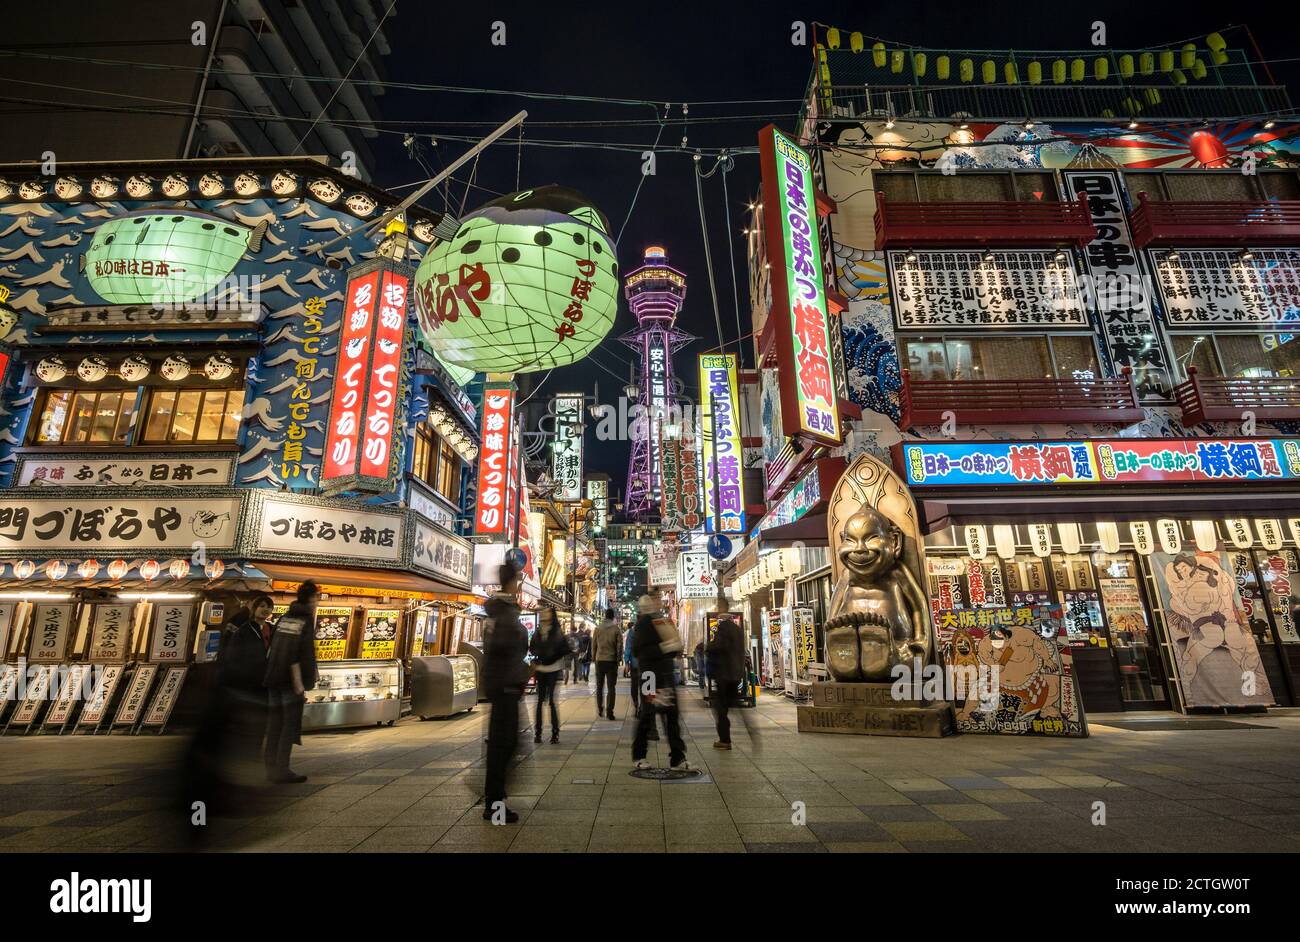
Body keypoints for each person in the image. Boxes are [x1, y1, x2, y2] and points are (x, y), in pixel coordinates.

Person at [481, 562, 531, 823]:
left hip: (502, 686)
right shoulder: (504, 611)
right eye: (519, 579)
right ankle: (495, 806)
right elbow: (505, 647)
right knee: (504, 746)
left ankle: (495, 800)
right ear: (514, 581)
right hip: (505, 687)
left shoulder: (497, 609)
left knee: (505, 745)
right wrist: (522, 669)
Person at [263, 581, 319, 784]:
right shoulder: (304, 620)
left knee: (275, 724)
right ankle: (281, 769)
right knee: (288, 725)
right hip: (289, 680)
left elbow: (273, 648)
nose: (317, 602)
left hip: (273, 677)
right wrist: (301, 683)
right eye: (316, 598)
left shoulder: (285, 617)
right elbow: (300, 653)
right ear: (312, 598)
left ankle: (270, 767)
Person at [216, 593, 275, 773]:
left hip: (265, 684)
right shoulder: (244, 630)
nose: (265, 610)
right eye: (262, 606)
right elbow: (232, 657)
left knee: (260, 724)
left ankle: (253, 757)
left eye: (269, 607)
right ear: (253, 608)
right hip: (247, 683)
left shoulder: (272, 630)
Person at [631, 594, 688, 771]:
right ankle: (640, 755)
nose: (655, 603)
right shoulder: (643, 624)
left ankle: (677, 757)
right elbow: (639, 652)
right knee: (648, 715)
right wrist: (667, 647)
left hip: (663, 675)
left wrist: (673, 647)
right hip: (651, 676)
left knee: (670, 715)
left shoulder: (660, 622)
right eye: (651, 601)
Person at [706, 616, 746, 751]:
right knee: (732, 707)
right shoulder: (739, 630)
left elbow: (717, 646)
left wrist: (708, 646)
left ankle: (725, 740)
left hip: (724, 674)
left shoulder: (723, 628)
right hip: (736, 674)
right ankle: (749, 730)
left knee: (720, 709)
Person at [529, 607, 567, 743]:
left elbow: (563, 648)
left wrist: (550, 656)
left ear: (551, 615)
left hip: (553, 669)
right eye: (542, 612)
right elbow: (532, 647)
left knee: (551, 701)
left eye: (546, 612)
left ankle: (555, 733)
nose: (543, 614)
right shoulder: (538, 631)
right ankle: (537, 733)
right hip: (541, 669)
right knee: (539, 702)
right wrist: (537, 656)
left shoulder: (556, 631)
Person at [624, 613, 656, 740]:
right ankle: (643, 709)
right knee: (647, 691)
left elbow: (628, 648)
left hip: (637, 664)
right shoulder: (651, 630)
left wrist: (627, 662)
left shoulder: (632, 631)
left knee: (635, 686)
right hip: (647, 665)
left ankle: (638, 705)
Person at [592, 608, 621, 720]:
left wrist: (594, 658)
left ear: (604, 616)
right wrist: (618, 659)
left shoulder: (597, 628)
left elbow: (594, 645)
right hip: (611, 661)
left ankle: (600, 708)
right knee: (611, 687)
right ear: (613, 617)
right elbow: (619, 646)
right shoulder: (616, 629)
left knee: (599, 687)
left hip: (600, 660)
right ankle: (610, 711)